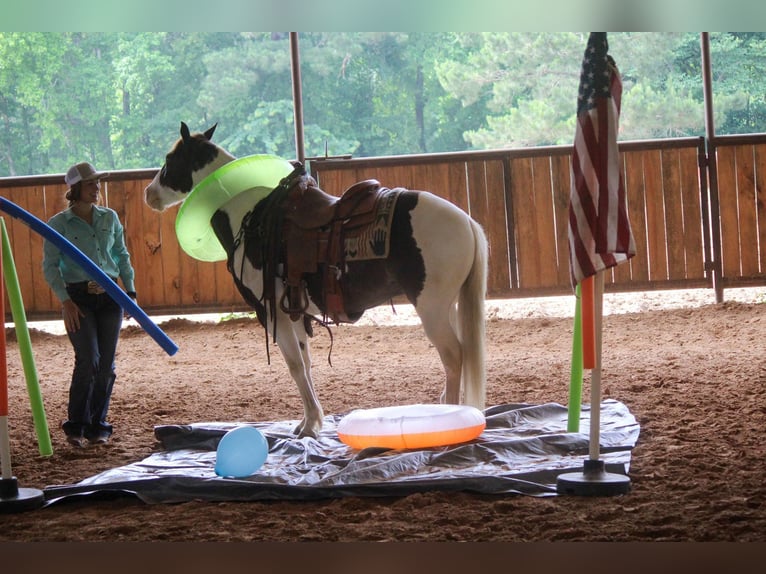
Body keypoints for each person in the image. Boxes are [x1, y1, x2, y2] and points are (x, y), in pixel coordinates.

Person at [42, 161, 136, 448]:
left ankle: (98, 425)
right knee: (88, 361)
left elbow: (121, 255)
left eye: (97, 183)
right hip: (78, 298)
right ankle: (76, 425)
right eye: (91, 183)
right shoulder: (58, 224)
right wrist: (66, 301)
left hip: (110, 296)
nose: (97, 188)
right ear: (76, 188)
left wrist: (129, 292)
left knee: (106, 365)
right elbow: (50, 267)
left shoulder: (110, 218)